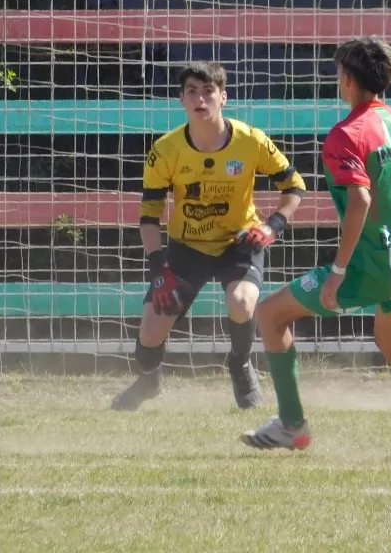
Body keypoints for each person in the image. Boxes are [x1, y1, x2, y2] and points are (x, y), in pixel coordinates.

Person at [242, 36, 391, 457]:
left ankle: (292, 425)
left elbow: (361, 200)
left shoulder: (346, 134)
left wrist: (338, 270)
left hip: (374, 264)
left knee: (272, 314)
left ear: (346, 79)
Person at [114, 62, 305, 411]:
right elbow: (149, 215)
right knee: (149, 335)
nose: (200, 98)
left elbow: (294, 186)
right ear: (181, 100)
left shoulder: (251, 140)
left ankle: (240, 362)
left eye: (208, 91)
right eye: (191, 91)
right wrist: (159, 268)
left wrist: (273, 225)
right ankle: (149, 378)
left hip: (240, 243)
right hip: (187, 247)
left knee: (243, 302)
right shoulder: (165, 149)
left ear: (223, 97)